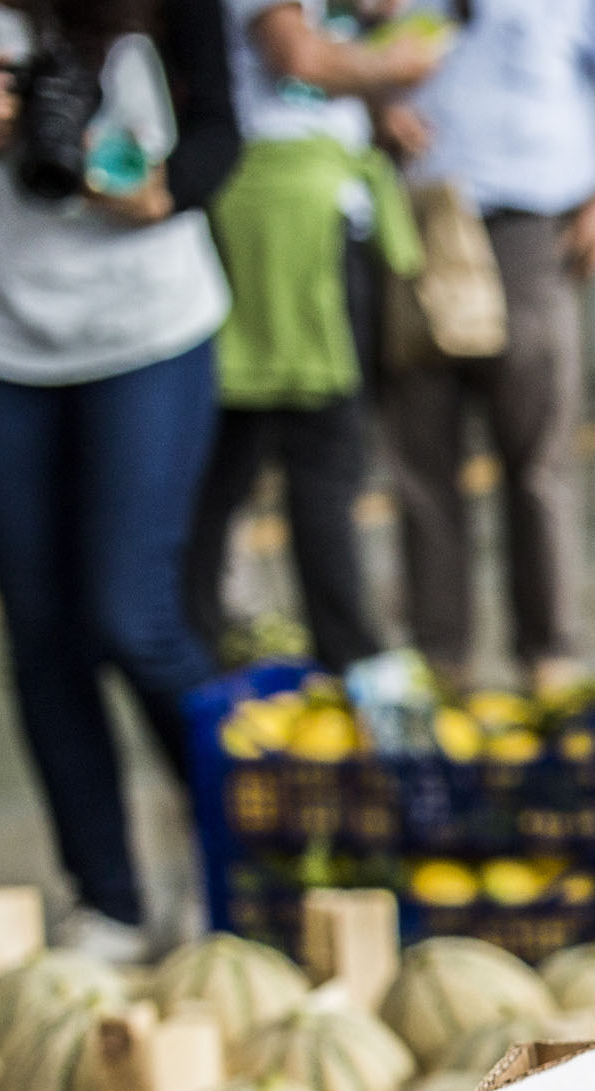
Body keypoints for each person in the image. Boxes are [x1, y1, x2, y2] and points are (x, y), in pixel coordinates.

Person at [0, 0, 238, 961]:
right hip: (11, 348)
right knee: (42, 634)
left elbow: (223, 134)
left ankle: (234, 860)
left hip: (153, 332)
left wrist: (159, 189)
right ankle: (109, 900)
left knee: (131, 613)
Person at [379, 0, 595, 683]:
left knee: (536, 457)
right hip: (418, 226)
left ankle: (549, 655)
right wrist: (374, 109)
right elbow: (330, 57)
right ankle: (440, 660)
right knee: (420, 459)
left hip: (530, 233)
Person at [185, 0, 437, 672]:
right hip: (283, 223)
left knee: (257, 451)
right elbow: (299, 58)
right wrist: (392, 64)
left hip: (303, 209)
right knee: (313, 451)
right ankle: (347, 658)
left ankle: (212, 635)